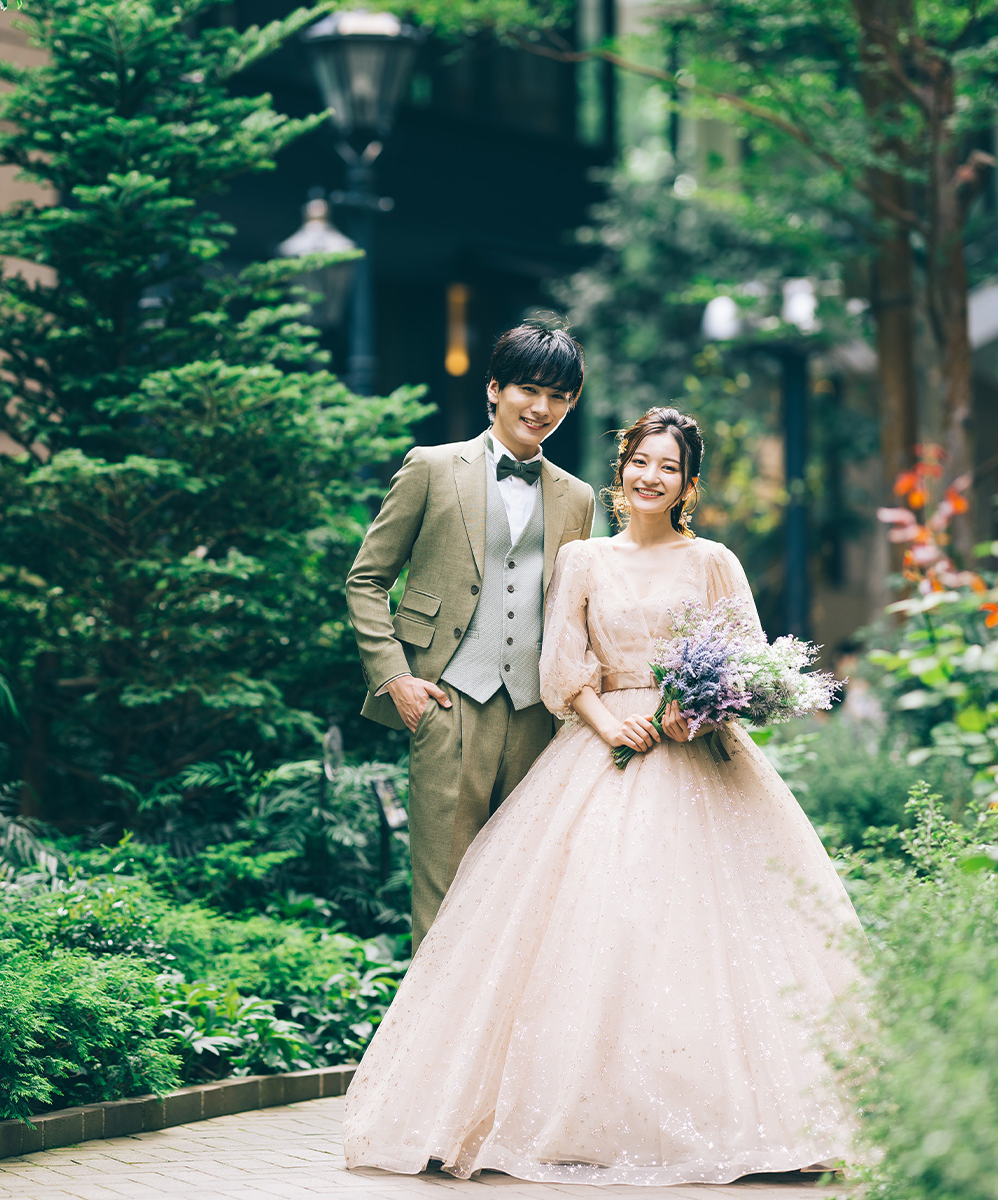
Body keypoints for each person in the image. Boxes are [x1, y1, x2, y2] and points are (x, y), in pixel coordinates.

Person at [342, 407, 863, 1185]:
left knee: (707, 932)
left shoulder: (714, 559)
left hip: (701, 753)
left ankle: (726, 1113)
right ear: (622, 471)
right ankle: (575, 1114)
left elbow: (751, 660)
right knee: (596, 925)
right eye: (641, 462)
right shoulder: (583, 557)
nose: (652, 477)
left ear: (689, 483)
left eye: (670, 467)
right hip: (602, 746)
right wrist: (605, 723)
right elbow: (561, 665)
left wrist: (702, 706)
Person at [345, 320, 598, 941]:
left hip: (540, 714)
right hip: (447, 700)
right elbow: (366, 581)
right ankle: (432, 1037)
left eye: (559, 396)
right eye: (528, 389)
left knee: (528, 892)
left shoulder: (578, 497)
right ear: (494, 388)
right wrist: (396, 678)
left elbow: (576, 609)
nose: (542, 408)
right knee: (445, 896)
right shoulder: (431, 468)